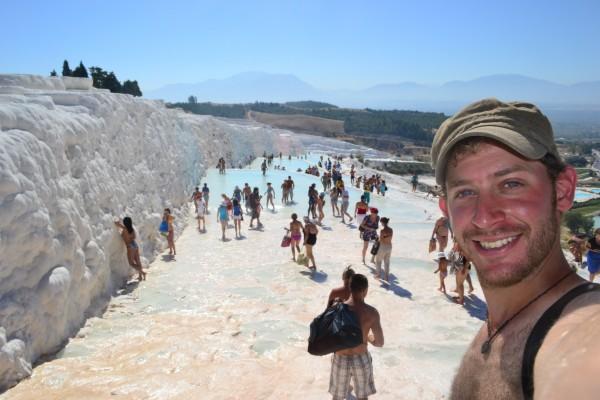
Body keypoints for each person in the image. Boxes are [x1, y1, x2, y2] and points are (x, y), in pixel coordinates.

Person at [431, 98, 600, 399]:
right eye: (466, 192)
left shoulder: (581, 325)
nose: (484, 216)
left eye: (511, 184)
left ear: (563, 191)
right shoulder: (499, 326)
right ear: (446, 209)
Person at [329, 274, 383, 400]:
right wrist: (368, 338)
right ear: (365, 290)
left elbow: (331, 336)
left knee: (337, 397)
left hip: (340, 357)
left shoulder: (336, 309)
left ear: (350, 288)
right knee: (362, 397)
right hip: (361, 358)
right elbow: (380, 342)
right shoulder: (372, 313)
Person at [375, 217, 393, 281]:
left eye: (381, 222)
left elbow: (381, 240)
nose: (381, 224)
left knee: (378, 261)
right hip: (389, 246)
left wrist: (377, 238)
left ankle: (378, 275)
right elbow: (388, 237)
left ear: (382, 222)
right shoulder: (391, 230)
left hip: (383, 246)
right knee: (387, 262)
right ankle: (386, 277)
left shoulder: (382, 231)